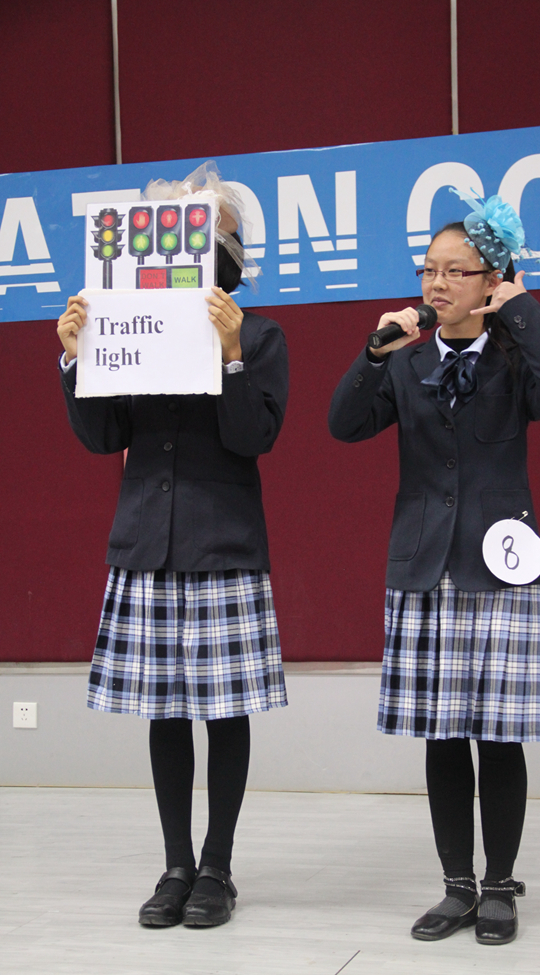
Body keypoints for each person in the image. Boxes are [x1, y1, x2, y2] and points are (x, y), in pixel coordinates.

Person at [328, 194, 540, 946]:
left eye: (455, 271)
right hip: (424, 566)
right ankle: (456, 886)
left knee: (499, 736)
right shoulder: (408, 362)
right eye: (427, 270)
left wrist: (521, 308)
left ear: (490, 280)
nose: (436, 284)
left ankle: (499, 885)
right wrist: (374, 352)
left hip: (498, 565)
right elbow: (344, 424)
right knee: (441, 735)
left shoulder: (515, 356)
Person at [56, 162, 289, 929]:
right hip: (146, 545)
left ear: (228, 251)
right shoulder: (129, 321)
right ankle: (176, 864)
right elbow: (104, 435)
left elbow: (252, 435)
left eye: (206, 233)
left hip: (222, 544)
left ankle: (217, 866)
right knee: (163, 711)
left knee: (224, 711)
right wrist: (76, 355)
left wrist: (230, 354)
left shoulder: (260, 334)